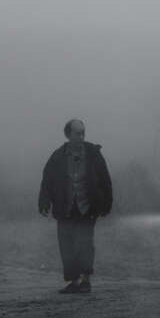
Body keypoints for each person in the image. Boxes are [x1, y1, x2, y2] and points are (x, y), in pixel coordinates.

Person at [38, 119, 113, 293]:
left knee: (85, 243)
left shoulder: (93, 154)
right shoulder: (57, 156)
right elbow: (47, 180)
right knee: (67, 245)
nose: (81, 137)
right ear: (68, 135)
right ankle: (74, 281)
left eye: (83, 133)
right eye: (77, 133)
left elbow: (105, 180)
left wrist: (107, 203)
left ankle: (85, 280)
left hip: (87, 207)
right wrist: (44, 201)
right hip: (65, 207)